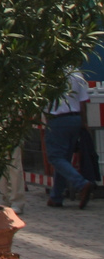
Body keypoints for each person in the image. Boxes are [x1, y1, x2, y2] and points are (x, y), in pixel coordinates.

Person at [45, 69, 97, 209]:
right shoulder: (77, 73)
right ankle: (56, 196)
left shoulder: (49, 73)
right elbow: (83, 101)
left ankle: (81, 183)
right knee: (64, 160)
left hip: (57, 119)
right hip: (75, 119)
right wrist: (83, 121)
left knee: (56, 158)